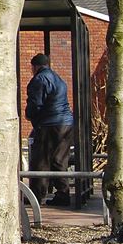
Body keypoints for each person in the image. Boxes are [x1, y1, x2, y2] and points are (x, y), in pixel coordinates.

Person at [25, 53, 74, 206]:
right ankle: (63, 194)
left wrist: (29, 115)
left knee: (40, 160)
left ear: (35, 66)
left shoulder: (39, 80)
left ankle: (36, 196)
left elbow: (36, 104)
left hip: (49, 124)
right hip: (66, 124)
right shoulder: (58, 79)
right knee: (59, 160)